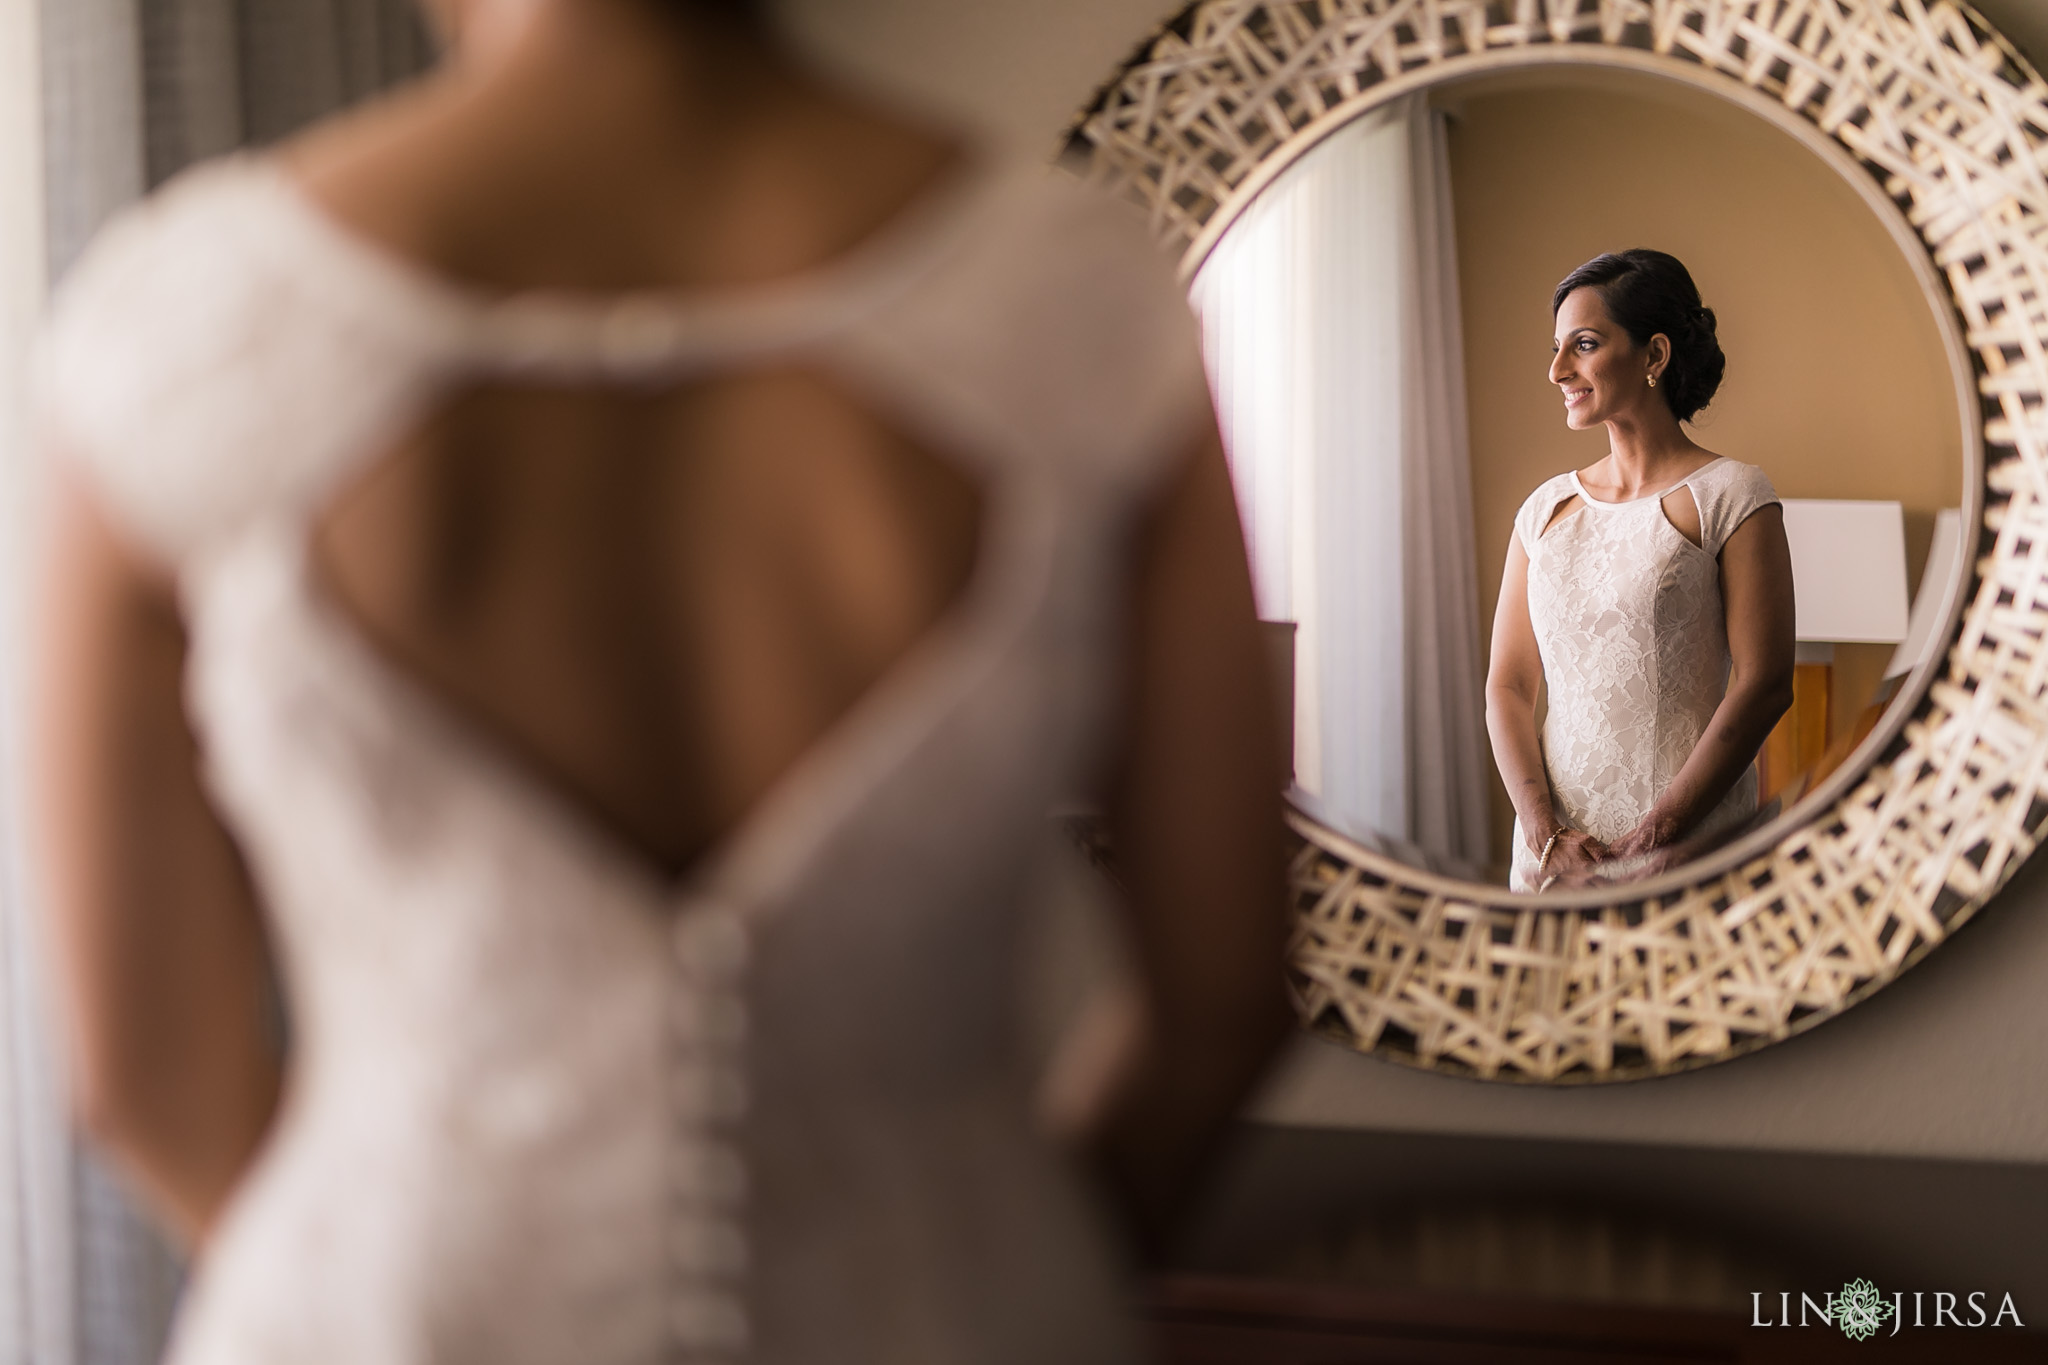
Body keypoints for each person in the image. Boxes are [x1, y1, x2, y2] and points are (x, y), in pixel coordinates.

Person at [29, 0, 1293, 1360]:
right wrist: (999, 1258)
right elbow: (1218, 1005)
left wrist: (359, 1281)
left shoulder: (182, 330)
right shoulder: (1080, 304)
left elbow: (141, 1076)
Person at [1485, 249, 1796, 893]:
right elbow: (1509, 686)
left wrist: (1656, 838)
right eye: (1557, 347)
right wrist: (1547, 839)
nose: (1557, 369)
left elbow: (1765, 683)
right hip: (1554, 862)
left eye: (1585, 344)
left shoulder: (1734, 495)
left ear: (1654, 356)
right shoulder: (1542, 510)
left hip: (1687, 853)